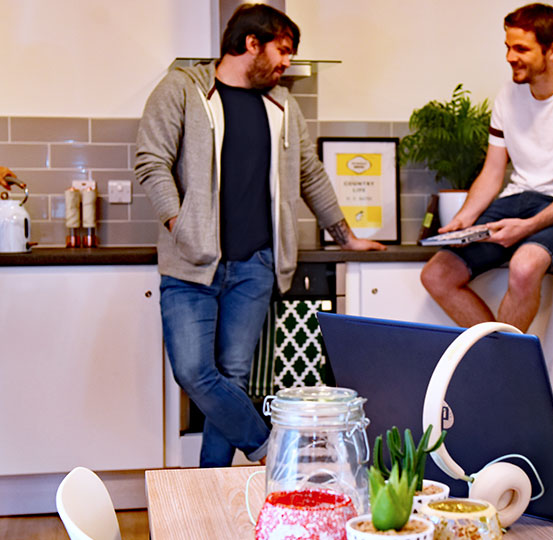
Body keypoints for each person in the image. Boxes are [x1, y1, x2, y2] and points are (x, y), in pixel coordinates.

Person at [135, 4, 384, 468]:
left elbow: (310, 173)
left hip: (255, 267)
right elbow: (151, 161)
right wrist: (178, 224)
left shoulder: (283, 106)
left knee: (232, 376)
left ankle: (210, 484)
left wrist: (345, 236)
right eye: (283, 50)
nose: (287, 62)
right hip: (191, 264)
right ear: (252, 44)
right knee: (192, 372)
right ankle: (272, 449)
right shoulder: (183, 90)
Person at [420, 3, 553, 332]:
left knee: (524, 266)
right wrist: (463, 220)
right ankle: (504, 361)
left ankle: (503, 370)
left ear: (552, 50)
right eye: (508, 47)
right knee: (436, 275)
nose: (510, 56)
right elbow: (492, 173)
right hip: (515, 200)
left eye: (521, 48)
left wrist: (527, 227)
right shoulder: (507, 97)